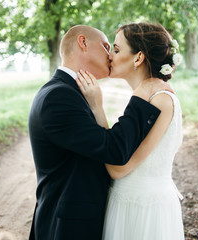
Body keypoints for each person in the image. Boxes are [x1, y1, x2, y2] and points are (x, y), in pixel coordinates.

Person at [28, 25, 171, 240]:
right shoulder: (58, 97)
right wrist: (142, 95)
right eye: (107, 47)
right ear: (83, 43)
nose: (111, 55)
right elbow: (114, 150)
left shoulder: (69, 91)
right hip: (67, 228)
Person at [76, 22, 185, 239]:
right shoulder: (153, 92)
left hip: (142, 210)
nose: (110, 57)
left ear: (138, 58)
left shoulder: (154, 96)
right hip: (142, 203)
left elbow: (118, 168)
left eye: (116, 50)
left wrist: (97, 107)